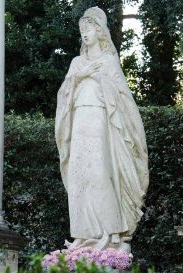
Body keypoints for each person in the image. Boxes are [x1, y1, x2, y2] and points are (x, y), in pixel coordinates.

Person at [55, 7, 148, 251]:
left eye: (89, 29)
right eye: (82, 30)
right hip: (79, 119)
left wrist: (98, 78)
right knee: (79, 175)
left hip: (99, 119)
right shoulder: (77, 63)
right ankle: (82, 234)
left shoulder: (108, 61)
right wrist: (79, 76)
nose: (85, 34)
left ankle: (111, 231)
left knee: (99, 172)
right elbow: (64, 95)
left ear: (99, 32)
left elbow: (122, 97)